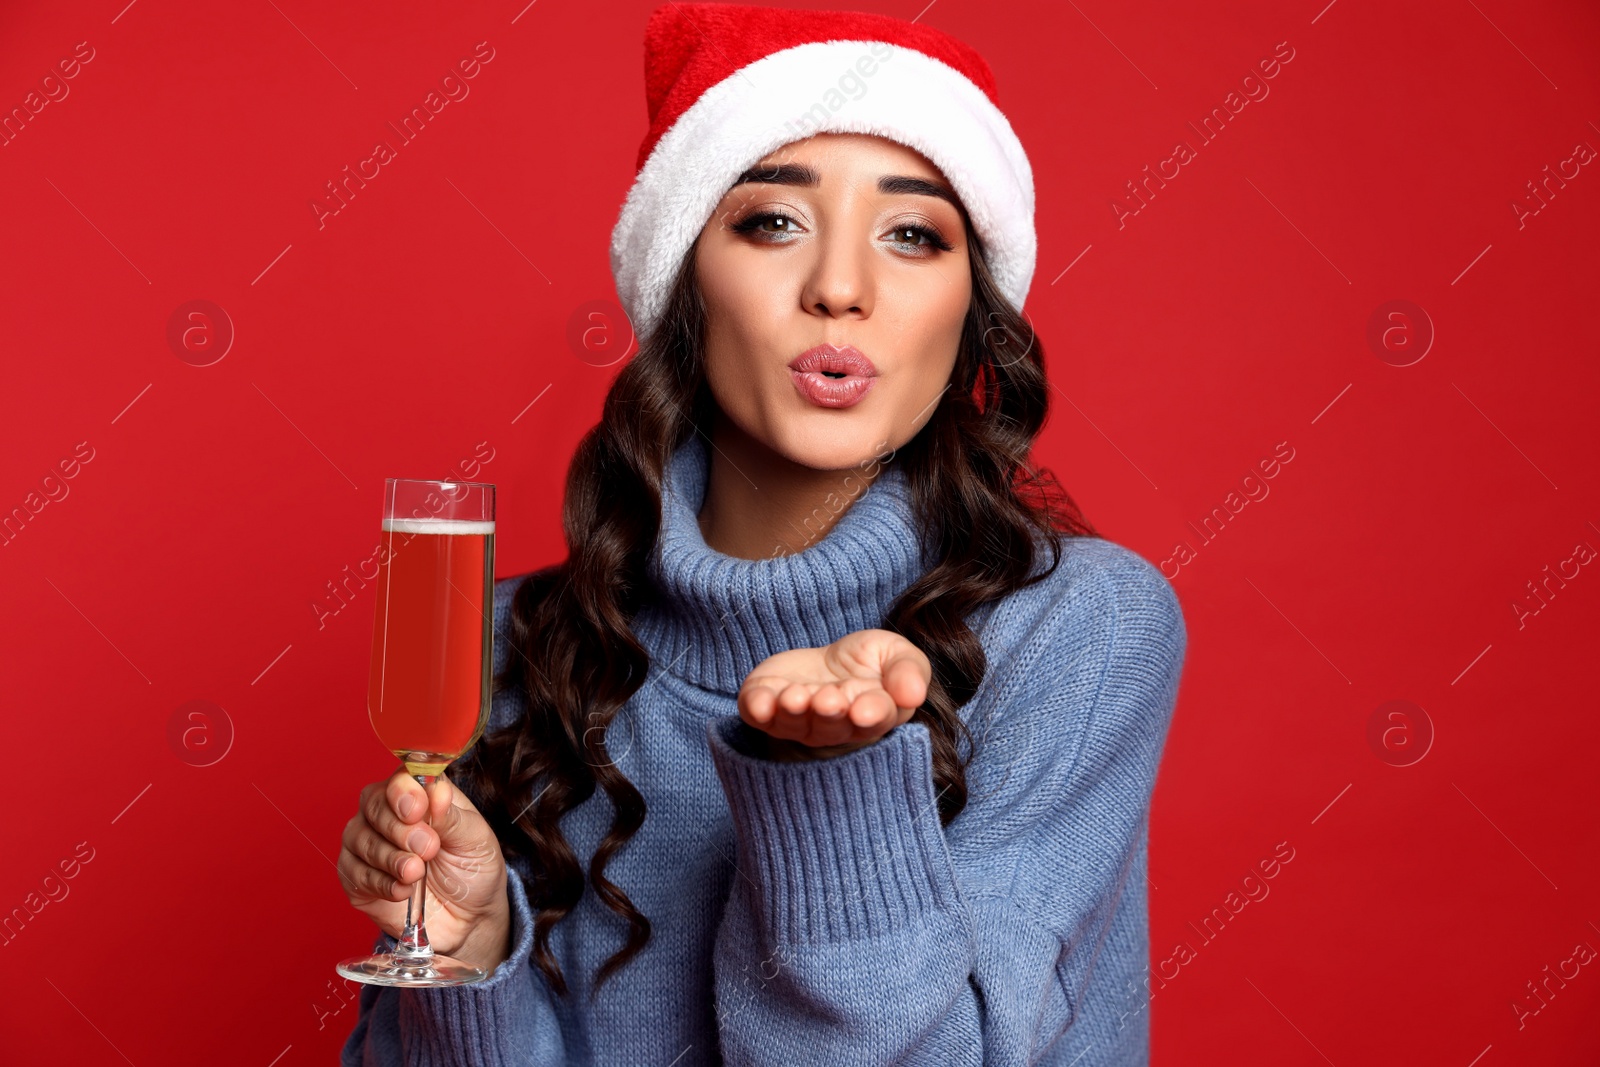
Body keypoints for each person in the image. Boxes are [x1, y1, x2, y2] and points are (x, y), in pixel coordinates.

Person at [339, 4, 1186, 1064]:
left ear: (973, 308)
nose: (840, 287)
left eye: (913, 234)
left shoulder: (1082, 629)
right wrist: (470, 957)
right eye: (772, 222)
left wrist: (827, 781)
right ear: (685, 275)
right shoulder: (515, 645)